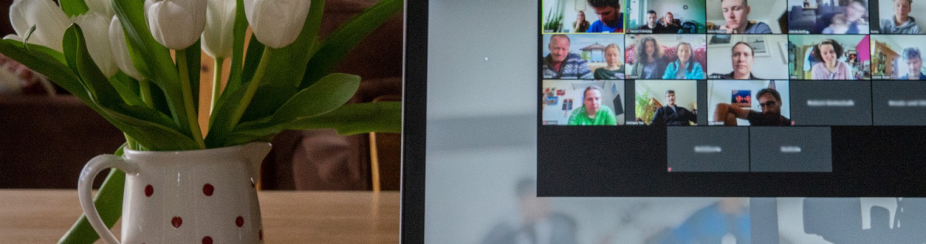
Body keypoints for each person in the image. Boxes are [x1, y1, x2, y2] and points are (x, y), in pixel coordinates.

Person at [480, 179, 578, 244]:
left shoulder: (562, 227)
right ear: (522, 201)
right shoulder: (502, 232)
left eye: (546, 199)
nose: (545, 203)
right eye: (538, 199)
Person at [714, 88, 791, 126]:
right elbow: (721, 106)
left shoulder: (788, 123)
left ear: (780, 102)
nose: (766, 110)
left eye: (770, 104)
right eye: (762, 105)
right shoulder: (758, 116)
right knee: (730, 116)